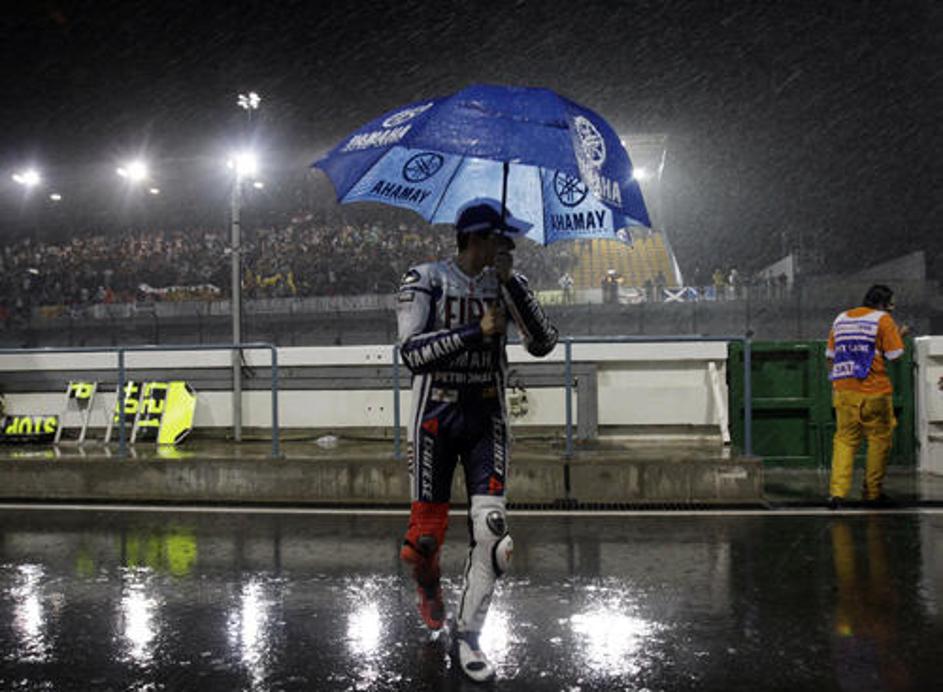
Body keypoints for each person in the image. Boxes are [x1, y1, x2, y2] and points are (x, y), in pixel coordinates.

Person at [396, 197, 558, 682]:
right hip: (434, 417)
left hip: (487, 416)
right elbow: (411, 353)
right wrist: (474, 331)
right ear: (475, 237)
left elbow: (544, 342)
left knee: (493, 533)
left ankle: (468, 636)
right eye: (498, 240)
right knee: (424, 540)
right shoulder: (425, 278)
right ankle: (429, 585)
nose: (506, 249)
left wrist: (511, 286)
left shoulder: (508, 283)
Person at [826, 284, 907, 508]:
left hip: (844, 389)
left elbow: (830, 356)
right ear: (882, 304)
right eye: (891, 305)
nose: (892, 309)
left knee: (844, 441)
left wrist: (836, 384)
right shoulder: (883, 320)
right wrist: (899, 335)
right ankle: (872, 492)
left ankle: (837, 493)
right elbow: (895, 355)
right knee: (878, 441)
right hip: (875, 391)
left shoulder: (841, 319)